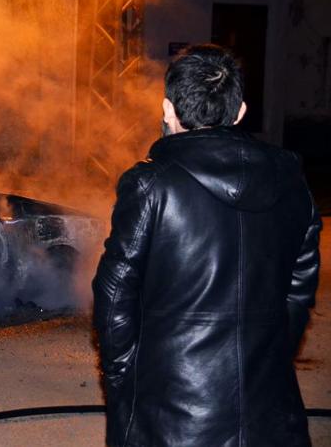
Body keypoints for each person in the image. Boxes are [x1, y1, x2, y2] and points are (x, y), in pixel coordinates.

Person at [93, 44, 321, 446]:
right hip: (270, 412)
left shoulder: (150, 183)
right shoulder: (291, 178)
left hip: (172, 416)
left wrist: (123, 373)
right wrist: (268, 357)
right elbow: (300, 288)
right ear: (240, 113)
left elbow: (114, 293)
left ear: (167, 110)